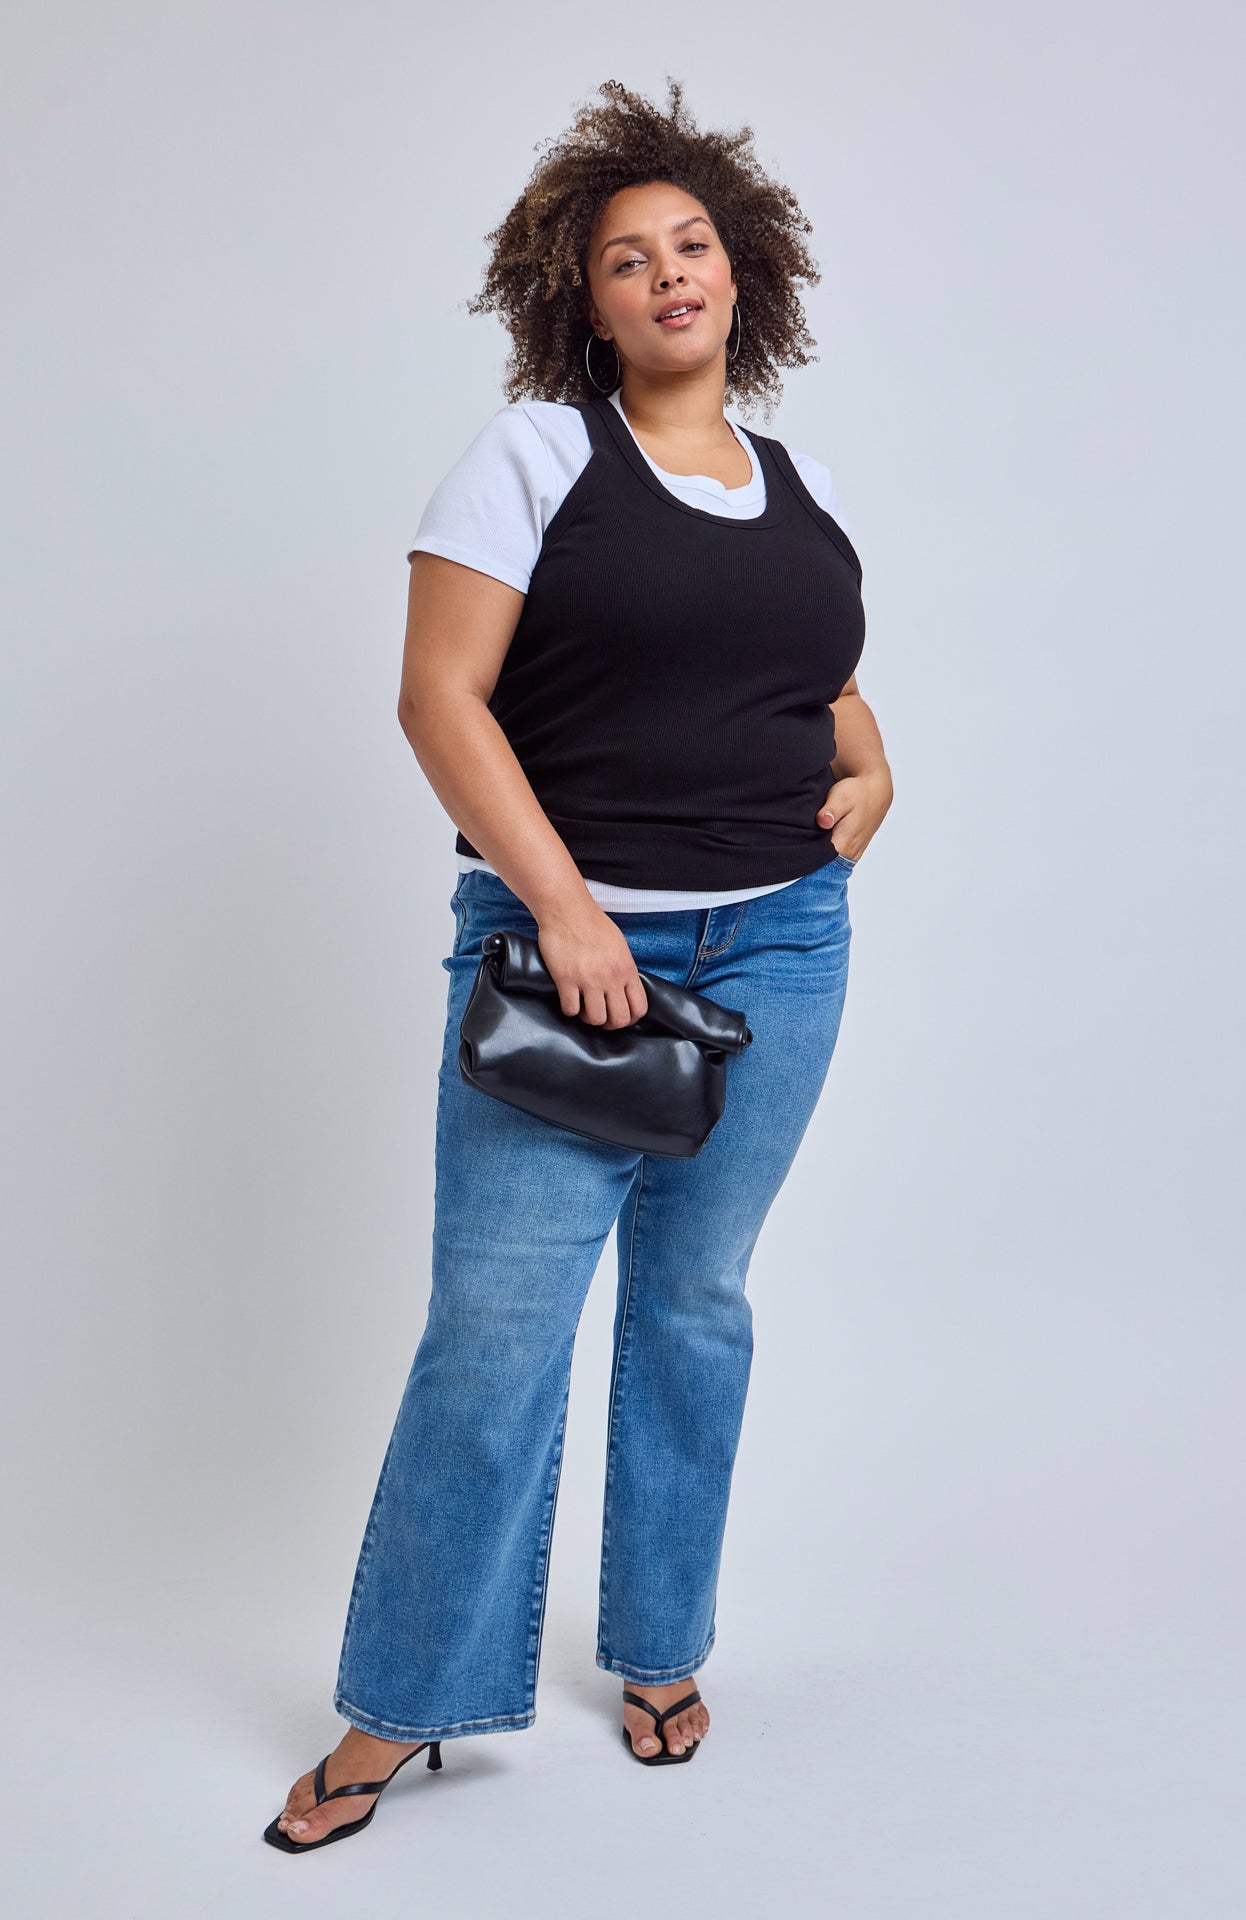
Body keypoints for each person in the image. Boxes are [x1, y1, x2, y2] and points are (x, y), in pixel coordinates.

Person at [265, 76, 893, 1853]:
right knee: (494, 1335)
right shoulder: (536, 455)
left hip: (782, 945)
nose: (670, 274)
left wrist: (876, 765)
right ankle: (401, 1706)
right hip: (564, 961)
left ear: (743, 270)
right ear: (584, 297)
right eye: (630, 259)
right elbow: (437, 698)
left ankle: (659, 1649)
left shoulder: (802, 482)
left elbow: (808, 680)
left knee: (697, 1309)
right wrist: (563, 910)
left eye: (693, 243)